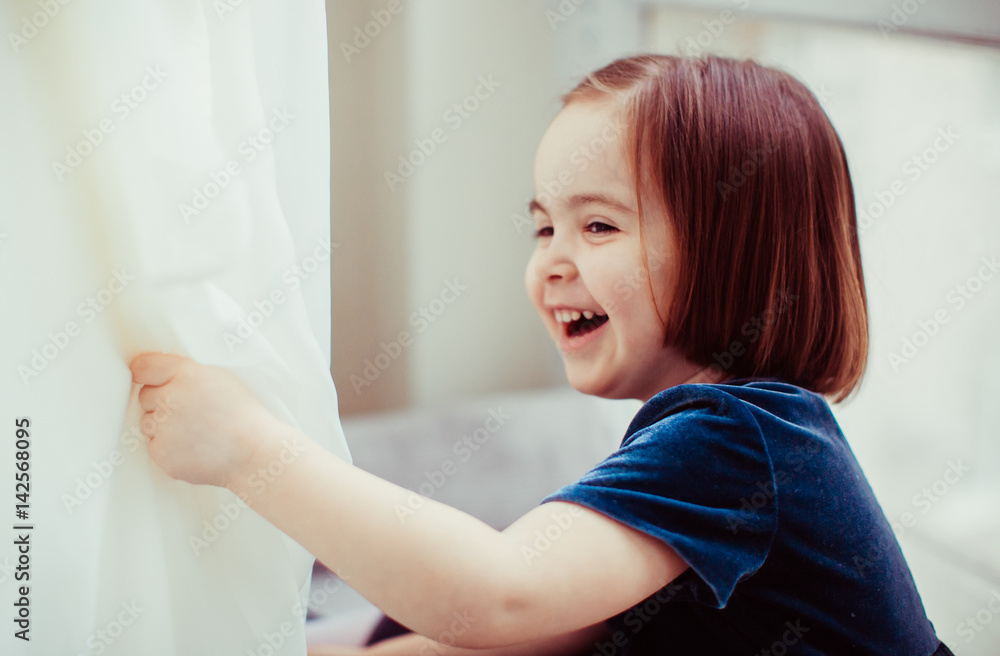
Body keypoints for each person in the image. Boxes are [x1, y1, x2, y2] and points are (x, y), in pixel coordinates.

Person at [128, 54, 954, 655]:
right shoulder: (721, 449)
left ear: (736, 250)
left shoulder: (738, 438)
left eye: (597, 225)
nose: (551, 261)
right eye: (543, 227)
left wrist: (251, 450)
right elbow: (545, 633)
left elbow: (497, 595)